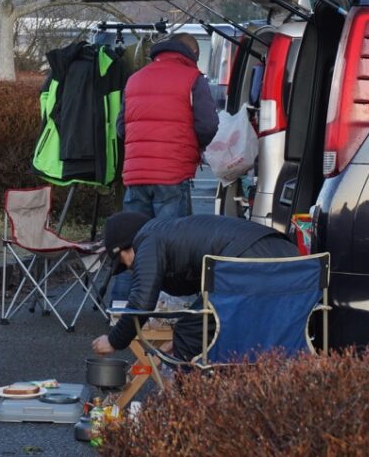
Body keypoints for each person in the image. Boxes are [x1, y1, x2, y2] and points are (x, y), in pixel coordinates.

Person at [91, 212, 298, 362]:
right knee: (196, 327)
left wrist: (115, 340)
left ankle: (187, 408)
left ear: (127, 245)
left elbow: (142, 299)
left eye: (124, 262)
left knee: (191, 331)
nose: (129, 268)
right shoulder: (171, 230)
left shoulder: (146, 239)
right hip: (289, 257)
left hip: (246, 265)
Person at [116, 33, 218, 219]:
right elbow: (208, 125)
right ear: (193, 52)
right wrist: (195, 146)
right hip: (173, 174)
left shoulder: (135, 79)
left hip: (136, 176)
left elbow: (121, 127)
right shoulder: (193, 79)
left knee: (136, 239)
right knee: (170, 240)